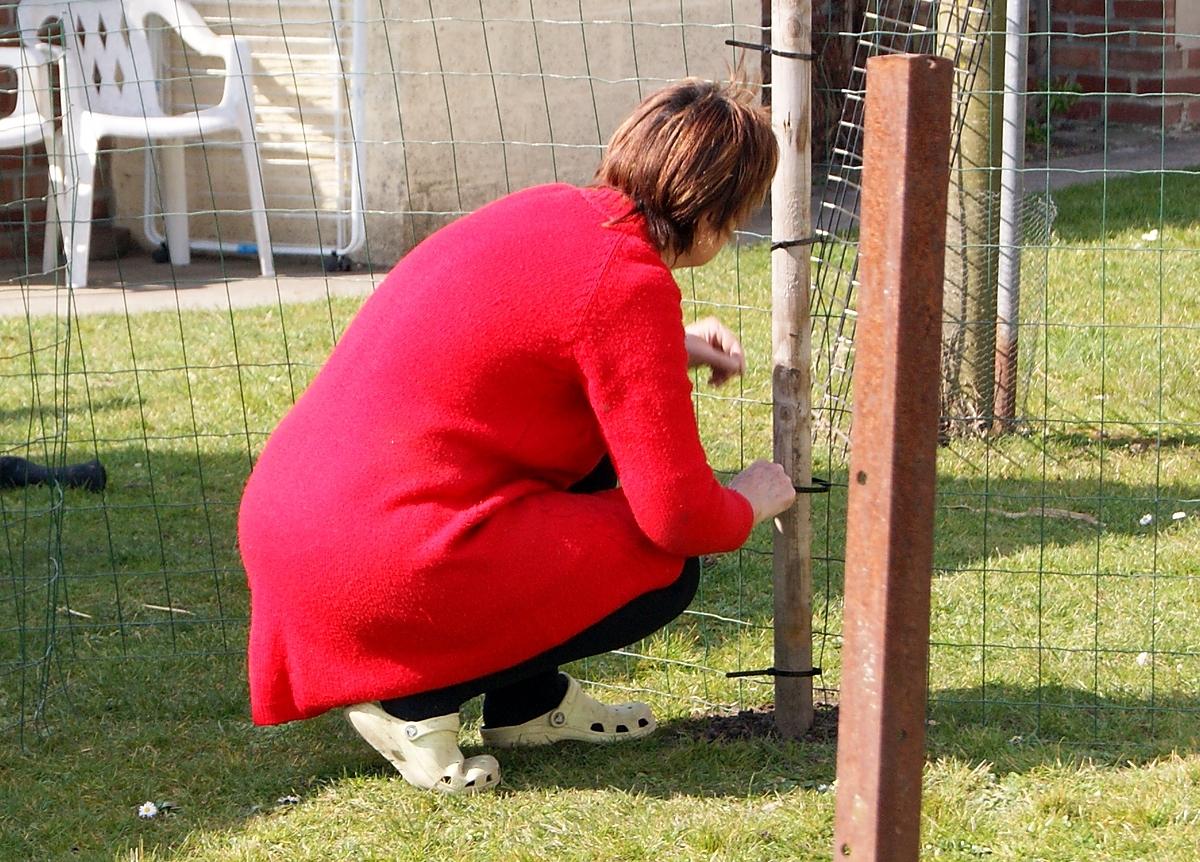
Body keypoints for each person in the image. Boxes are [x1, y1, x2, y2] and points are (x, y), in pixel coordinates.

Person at [237, 77, 797, 795]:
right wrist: (748, 500)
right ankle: (411, 705)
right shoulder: (627, 285)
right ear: (717, 212)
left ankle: (528, 705)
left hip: (301, 528)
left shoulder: (554, 211)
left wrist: (670, 343)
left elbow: (525, 334)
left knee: (592, 462)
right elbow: (681, 515)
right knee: (666, 568)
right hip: (375, 562)